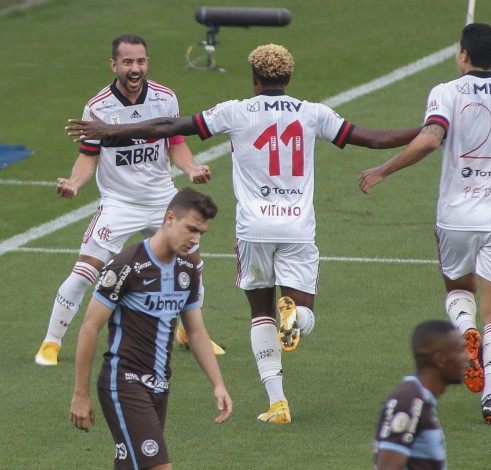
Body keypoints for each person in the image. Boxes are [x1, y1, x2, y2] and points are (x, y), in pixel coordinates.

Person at [66, 43, 420, 424]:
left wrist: (111, 129)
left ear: (254, 79)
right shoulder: (314, 113)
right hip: (297, 227)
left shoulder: (234, 111)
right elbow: (373, 138)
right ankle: (295, 317)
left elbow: (168, 127)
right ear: (288, 78)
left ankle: (277, 403)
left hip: (253, 228)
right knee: (304, 313)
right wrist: (427, 130)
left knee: (259, 313)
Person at [360, 23, 491, 425]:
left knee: (457, 289)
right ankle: (490, 398)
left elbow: (431, 139)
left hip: (456, 219)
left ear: (463, 54)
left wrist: (384, 169)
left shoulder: (446, 92)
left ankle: (466, 336)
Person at [35, 34, 223, 366]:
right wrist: (75, 183)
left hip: (163, 199)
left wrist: (191, 168)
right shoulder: (98, 107)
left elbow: (175, 143)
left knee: (192, 265)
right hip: (119, 203)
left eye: (141, 61)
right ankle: (52, 341)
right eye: (128, 62)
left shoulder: (165, 99)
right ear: (114, 65)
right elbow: (88, 156)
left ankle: (190, 332)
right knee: (85, 270)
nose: (135, 69)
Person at [69, 187, 232, 469]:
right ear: (170, 218)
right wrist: (80, 395)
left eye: (201, 233)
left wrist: (218, 384)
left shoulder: (187, 271)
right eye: (191, 229)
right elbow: (89, 328)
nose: (194, 239)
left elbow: (195, 331)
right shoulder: (125, 266)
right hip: (124, 383)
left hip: (159, 385)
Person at [373, 320, 468, 469]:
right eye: (461, 350)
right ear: (440, 360)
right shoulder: (408, 400)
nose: (468, 357)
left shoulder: (419, 399)